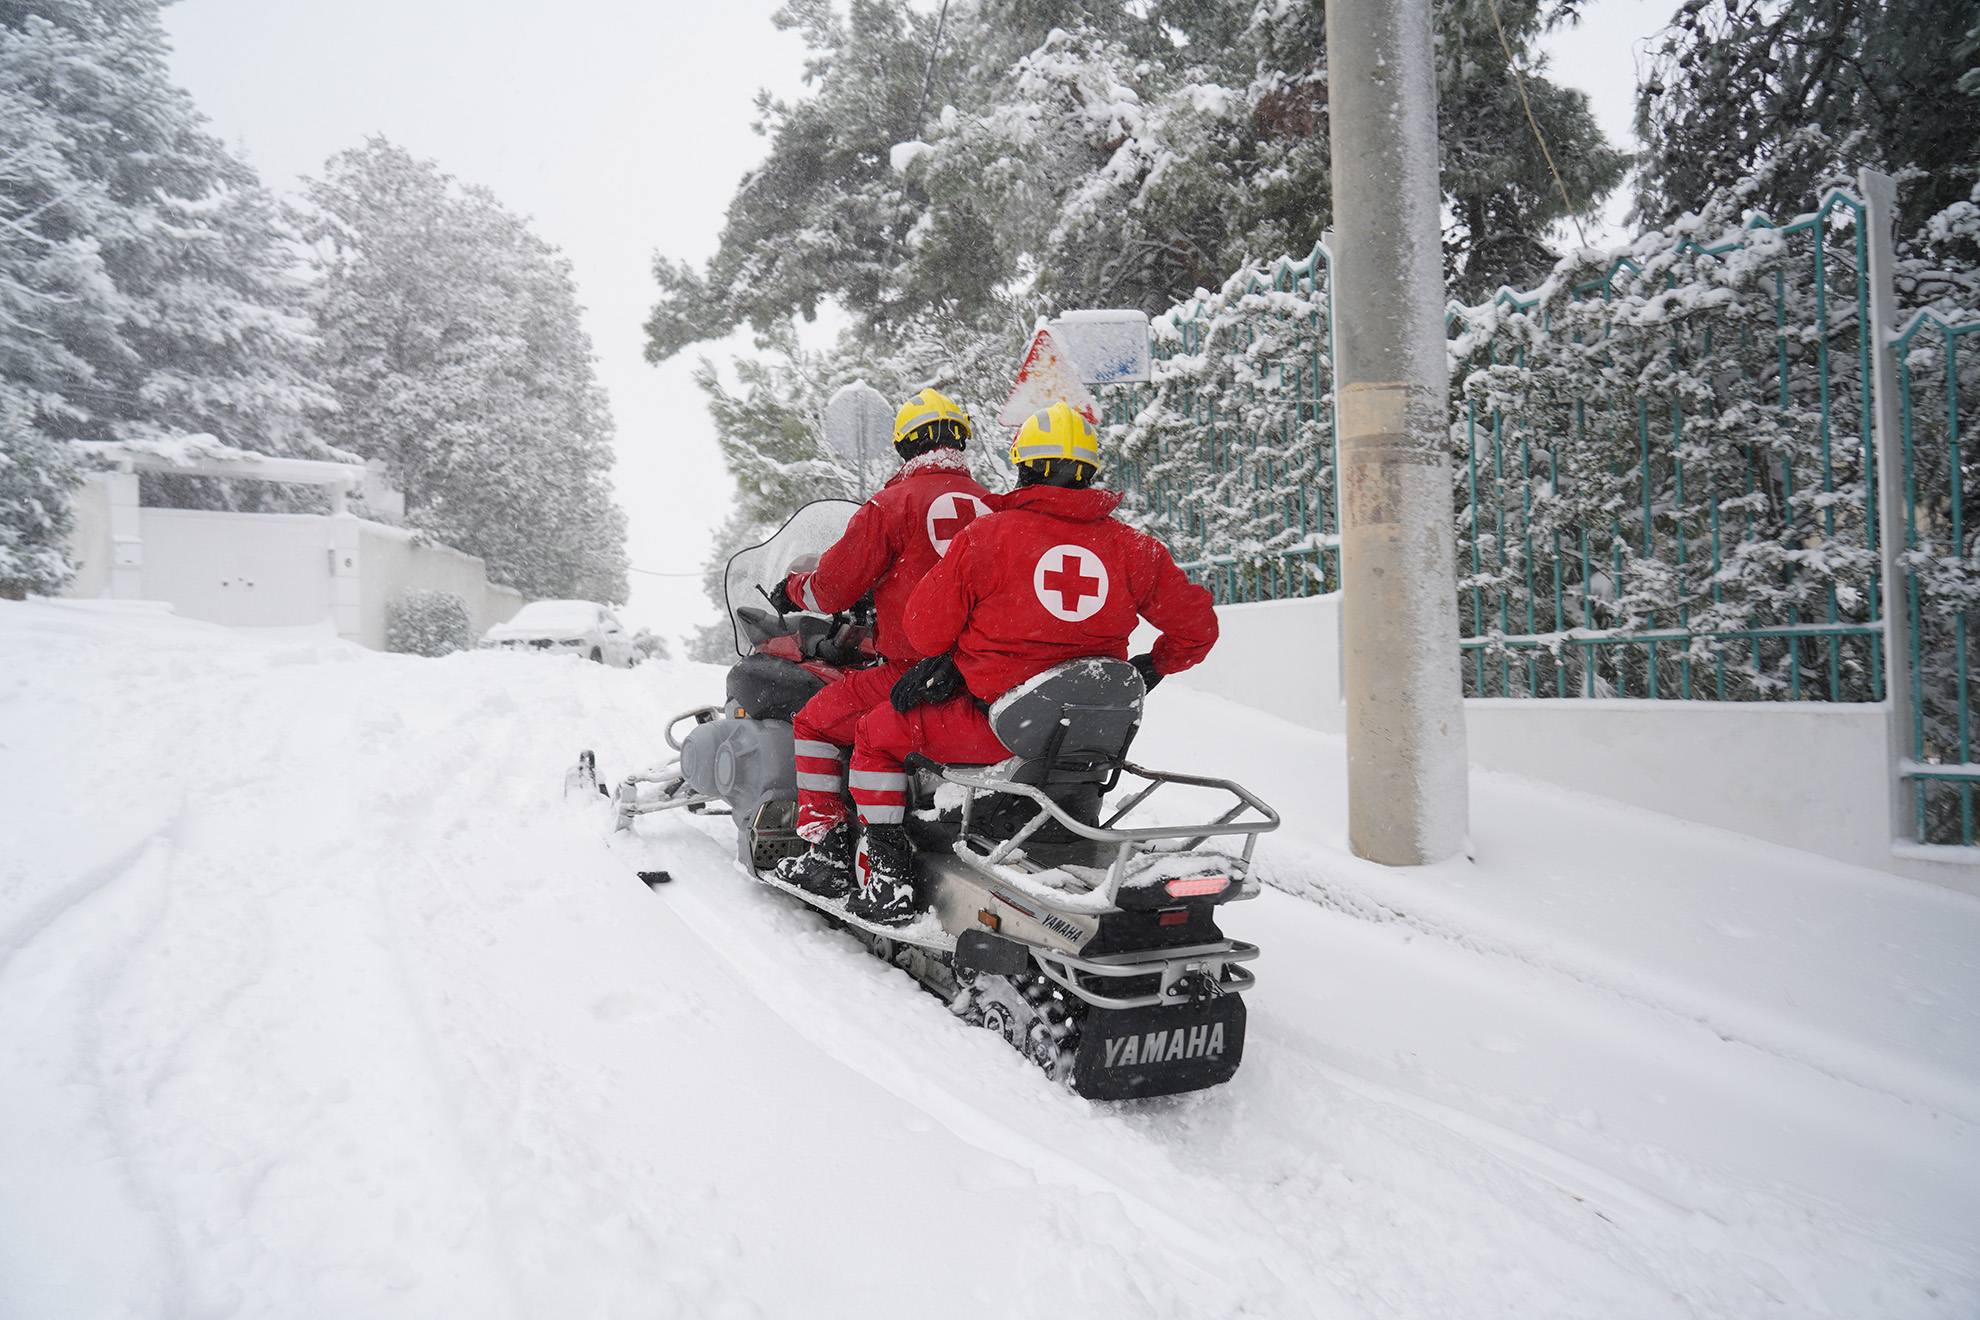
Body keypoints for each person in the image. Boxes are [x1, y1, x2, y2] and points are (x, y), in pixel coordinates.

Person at [839, 399, 1219, 925]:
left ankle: (887, 877)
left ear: (1022, 466)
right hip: (1086, 736)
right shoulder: (1136, 548)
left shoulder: (988, 537)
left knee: (877, 733)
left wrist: (955, 654)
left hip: (998, 727)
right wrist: (1153, 666)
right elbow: (1197, 629)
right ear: (1089, 471)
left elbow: (923, 630)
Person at [769, 388, 995, 899]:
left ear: (903, 447)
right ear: (960, 441)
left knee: (816, 720)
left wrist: (794, 589)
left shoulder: (890, 505)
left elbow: (834, 587)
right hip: (984, 674)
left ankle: (826, 848)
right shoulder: (996, 505)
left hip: (912, 671)